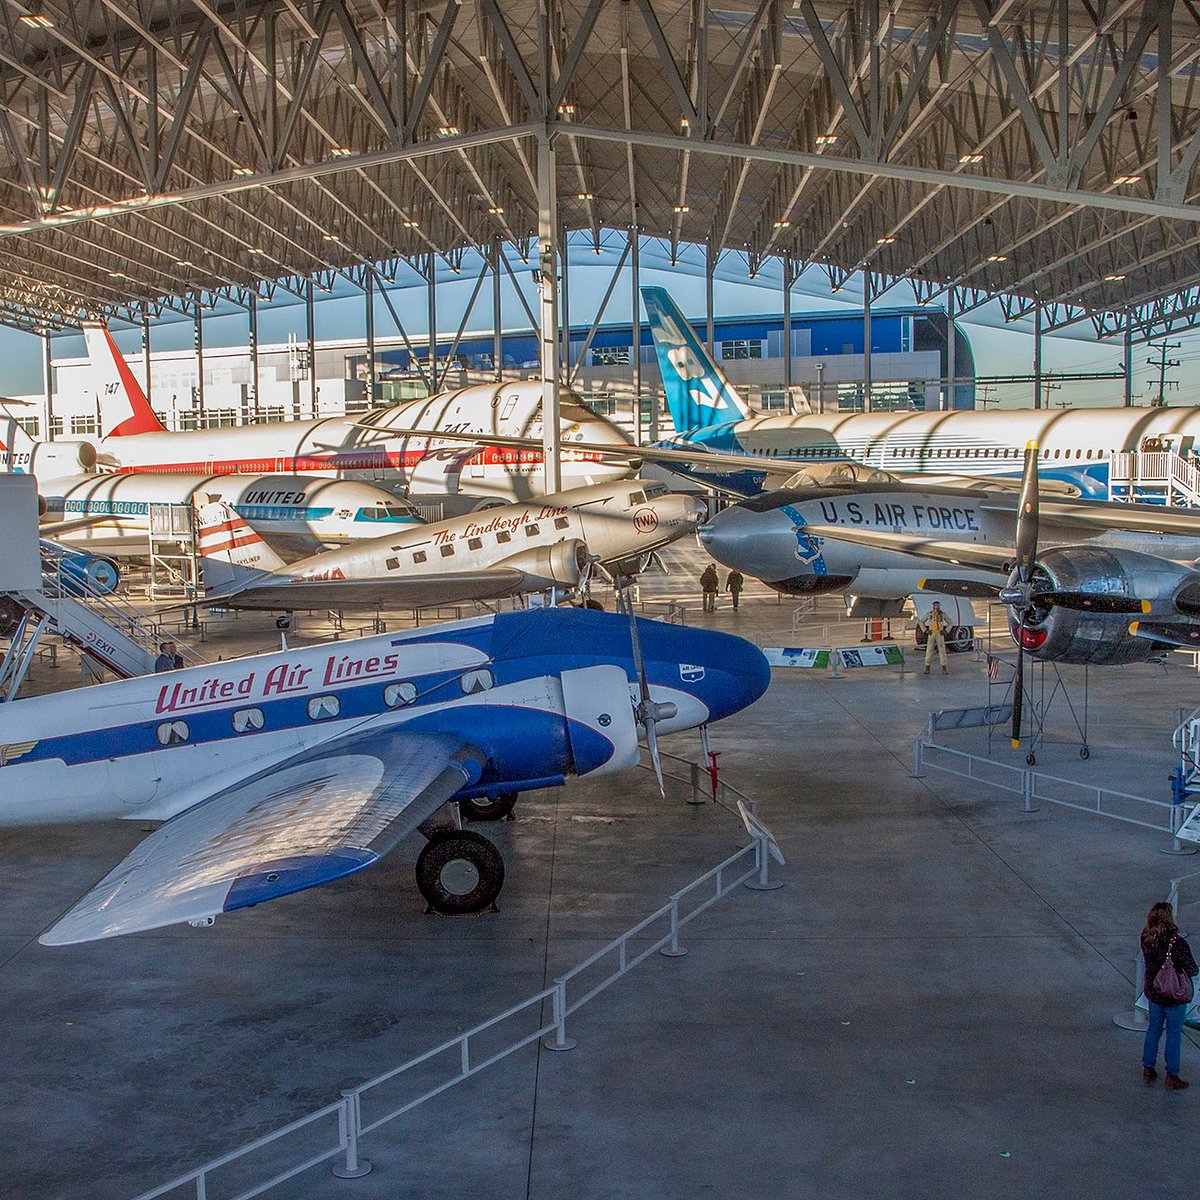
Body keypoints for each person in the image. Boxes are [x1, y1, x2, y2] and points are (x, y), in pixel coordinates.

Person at [1141, 901, 1198, 1089]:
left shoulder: (1146, 938)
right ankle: (1172, 1075)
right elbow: (1192, 968)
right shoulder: (1178, 944)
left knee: (1154, 1029)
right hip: (1174, 995)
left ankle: (1148, 1068)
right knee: (1173, 1034)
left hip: (1154, 992)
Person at [920, 601, 949, 676]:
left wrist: (946, 631)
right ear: (933, 606)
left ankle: (944, 667)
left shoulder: (942, 614)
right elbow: (921, 621)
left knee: (942, 650)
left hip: (939, 633)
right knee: (929, 649)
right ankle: (927, 667)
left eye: (938, 606)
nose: (936, 607)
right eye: (935, 606)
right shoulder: (929, 614)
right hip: (932, 633)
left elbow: (950, 622)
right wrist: (925, 630)